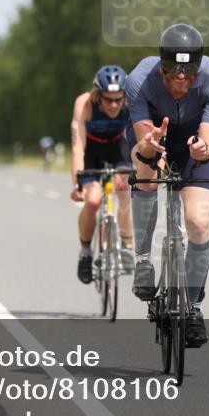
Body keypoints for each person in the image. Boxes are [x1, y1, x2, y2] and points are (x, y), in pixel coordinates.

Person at [126, 24, 209, 348]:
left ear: (198, 68)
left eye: (189, 73)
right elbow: (144, 143)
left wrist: (203, 149)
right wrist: (149, 145)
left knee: (198, 223)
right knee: (144, 171)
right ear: (162, 66)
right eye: (173, 72)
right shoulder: (139, 80)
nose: (181, 79)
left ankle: (194, 306)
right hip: (154, 141)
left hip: (193, 147)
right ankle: (143, 261)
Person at [70, 65, 134, 284]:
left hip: (119, 149)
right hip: (92, 153)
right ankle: (86, 253)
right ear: (98, 95)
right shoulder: (85, 103)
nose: (114, 104)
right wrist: (77, 183)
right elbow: (78, 145)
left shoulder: (132, 102)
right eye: (108, 99)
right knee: (93, 201)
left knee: (124, 188)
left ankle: (126, 243)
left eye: (119, 99)